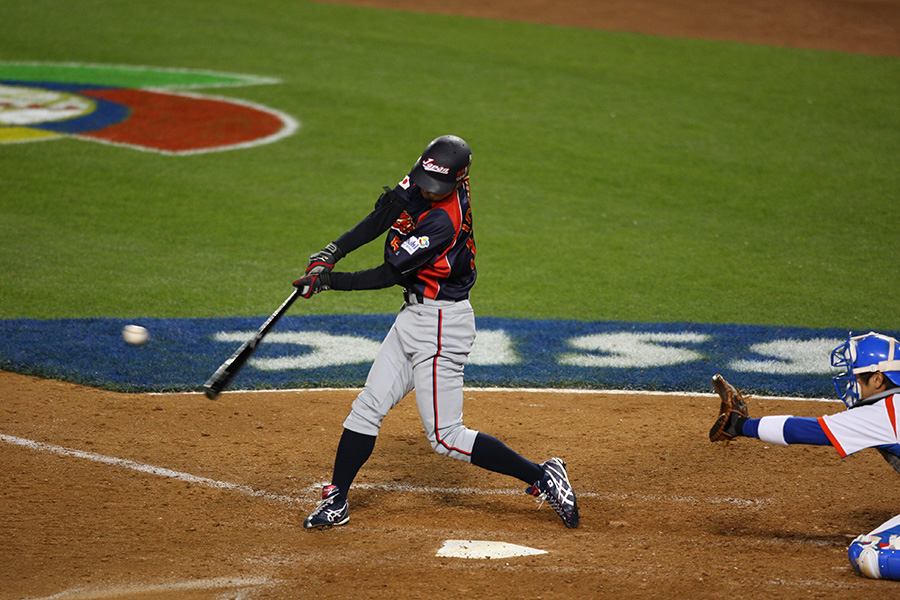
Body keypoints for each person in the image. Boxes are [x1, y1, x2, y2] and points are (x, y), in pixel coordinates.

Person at [292, 135, 579, 529]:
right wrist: (333, 251)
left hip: (443, 325)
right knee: (368, 406)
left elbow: (389, 273)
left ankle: (543, 476)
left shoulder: (445, 220)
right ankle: (337, 497)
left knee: (445, 436)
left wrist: (328, 282)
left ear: (459, 180)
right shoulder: (428, 172)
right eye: (425, 181)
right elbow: (387, 211)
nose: (428, 190)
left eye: (438, 187)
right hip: (413, 316)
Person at [709, 331, 900, 580]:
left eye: (856, 377)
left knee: (869, 554)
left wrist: (741, 425)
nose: (851, 383)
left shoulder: (884, 413)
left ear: (877, 379)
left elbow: (805, 430)